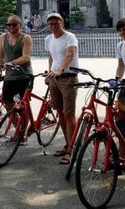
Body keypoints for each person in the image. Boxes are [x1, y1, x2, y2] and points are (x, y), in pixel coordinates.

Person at [44, 12, 79, 165]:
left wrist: (61, 69)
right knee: (60, 112)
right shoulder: (48, 39)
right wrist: (50, 71)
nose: (53, 26)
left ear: (62, 23)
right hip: (54, 79)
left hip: (68, 78)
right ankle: (67, 144)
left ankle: (72, 149)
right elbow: (51, 56)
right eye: (50, 24)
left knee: (69, 114)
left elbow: (70, 55)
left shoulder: (69, 37)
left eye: (56, 23)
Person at [0, 15, 33, 123]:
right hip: (9, 75)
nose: (11, 27)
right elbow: (1, 55)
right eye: (8, 25)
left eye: (14, 24)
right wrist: (0, 69)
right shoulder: (3, 37)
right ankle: (17, 127)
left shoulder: (26, 38)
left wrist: (12, 63)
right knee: (7, 103)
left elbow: (26, 57)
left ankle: (23, 134)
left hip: (24, 74)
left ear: (20, 25)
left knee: (22, 105)